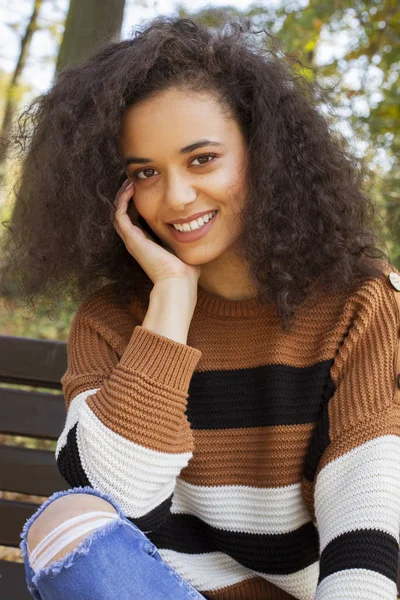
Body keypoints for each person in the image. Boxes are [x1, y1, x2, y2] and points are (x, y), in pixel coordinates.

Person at [1, 14, 400, 600]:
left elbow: (367, 509)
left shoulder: (361, 303)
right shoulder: (112, 319)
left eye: (203, 159)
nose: (178, 196)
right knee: (66, 525)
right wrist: (172, 300)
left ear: (264, 155)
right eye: (145, 173)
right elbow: (117, 506)